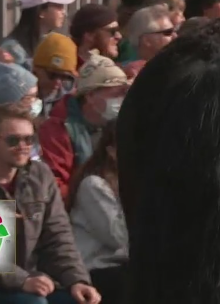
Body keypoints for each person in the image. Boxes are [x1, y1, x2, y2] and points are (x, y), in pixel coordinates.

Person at [0, 103, 99, 304]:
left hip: (33, 278)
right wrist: (21, 280)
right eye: (13, 140)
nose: (23, 147)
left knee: (81, 299)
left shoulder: (40, 175)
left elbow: (58, 236)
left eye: (29, 140)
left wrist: (77, 280)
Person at [40, 53, 129, 199]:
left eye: (124, 94)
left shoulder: (122, 124)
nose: (122, 100)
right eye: (116, 94)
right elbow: (55, 185)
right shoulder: (58, 129)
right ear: (90, 95)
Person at [68, 120, 126, 304]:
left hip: (124, 265)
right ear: (111, 152)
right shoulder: (94, 185)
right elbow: (117, 237)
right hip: (98, 268)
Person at [1, 0, 77, 71]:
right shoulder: (12, 49)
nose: (63, 12)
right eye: (58, 6)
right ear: (41, 12)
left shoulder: (52, 42)